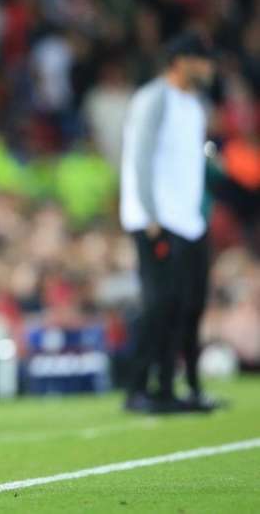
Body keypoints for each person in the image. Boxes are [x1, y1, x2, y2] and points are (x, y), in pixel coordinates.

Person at [120, 32, 216, 414]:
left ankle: (182, 386)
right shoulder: (154, 98)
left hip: (189, 221)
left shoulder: (195, 105)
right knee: (160, 304)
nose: (208, 68)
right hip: (158, 221)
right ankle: (140, 388)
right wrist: (151, 214)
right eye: (202, 60)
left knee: (189, 306)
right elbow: (140, 157)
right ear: (181, 62)